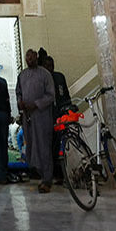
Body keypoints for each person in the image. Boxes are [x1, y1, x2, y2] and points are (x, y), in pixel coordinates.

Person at [16, 48, 56, 193]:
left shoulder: (45, 74)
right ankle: (40, 174)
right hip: (28, 117)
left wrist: (36, 104)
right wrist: (20, 103)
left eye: (32, 58)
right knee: (32, 145)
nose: (29, 60)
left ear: (36, 58)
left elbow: (51, 96)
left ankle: (47, 180)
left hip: (42, 116)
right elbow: (18, 92)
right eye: (27, 58)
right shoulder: (22, 75)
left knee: (44, 146)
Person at [40, 51, 70, 184]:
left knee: (60, 146)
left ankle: (60, 175)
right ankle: (49, 174)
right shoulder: (41, 80)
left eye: (51, 65)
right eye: (47, 66)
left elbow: (65, 95)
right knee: (49, 147)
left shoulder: (59, 77)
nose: (50, 68)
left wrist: (67, 109)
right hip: (47, 118)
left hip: (60, 116)